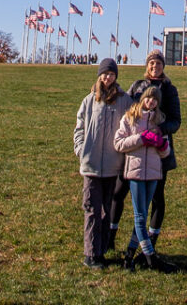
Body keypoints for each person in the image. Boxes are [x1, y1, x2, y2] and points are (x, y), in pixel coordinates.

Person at [107, 48, 181, 253]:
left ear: (163, 66)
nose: (154, 67)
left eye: (158, 63)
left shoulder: (169, 89)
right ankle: (110, 237)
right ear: (146, 66)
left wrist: (158, 132)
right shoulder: (137, 86)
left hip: (158, 152)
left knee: (157, 198)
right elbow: (126, 110)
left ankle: (150, 243)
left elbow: (176, 120)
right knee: (118, 192)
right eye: (151, 63)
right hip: (133, 149)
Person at [73, 58, 131, 269]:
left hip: (112, 165)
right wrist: (81, 150)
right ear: (99, 76)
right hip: (91, 165)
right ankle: (91, 254)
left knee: (106, 209)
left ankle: (103, 247)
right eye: (105, 74)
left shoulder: (124, 100)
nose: (108, 78)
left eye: (112, 74)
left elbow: (136, 119)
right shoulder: (89, 100)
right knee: (91, 209)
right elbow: (79, 127)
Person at [113, 85, 174, 271]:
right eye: (149, 98)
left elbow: (166, 152)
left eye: (155, 100)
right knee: (140, 216)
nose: (151, 102)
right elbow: (118, 143)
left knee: (142, 216)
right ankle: (150, 257)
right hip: (136, 173)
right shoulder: (130, 118)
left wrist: (162, 145)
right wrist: (141, 139)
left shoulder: (159, 121)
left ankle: (129, 256)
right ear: (143, 98)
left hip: (154, 173)